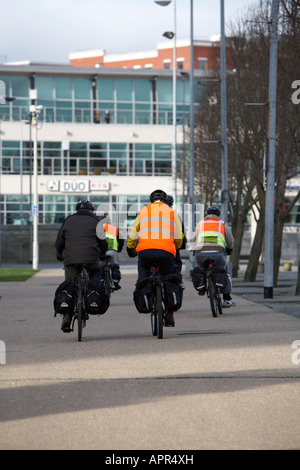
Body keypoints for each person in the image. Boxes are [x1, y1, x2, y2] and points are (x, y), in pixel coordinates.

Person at [127, 189, 183, 326]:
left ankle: (144, 290)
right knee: (170, 277)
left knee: (143, 271)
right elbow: (178, 234)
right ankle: (169, 315)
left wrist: (130, 247)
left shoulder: (143, 211)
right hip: (166, 252)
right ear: (165, 201)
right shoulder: (171, 212)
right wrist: (176, 246)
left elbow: (134, 232)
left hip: (145, 252)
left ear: (151, 201)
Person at [55, 199, 108, 332]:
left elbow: (60, 240)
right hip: (91, 257)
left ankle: (67, 314)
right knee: (95, 272)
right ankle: (93, 294)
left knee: (69, 283)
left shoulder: (68, 220)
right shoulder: (96, 221)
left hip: (70, 258)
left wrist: (59, 254)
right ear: (91, 210)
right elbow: (103, 242)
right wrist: (102, 254)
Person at [191, 205, 236, 308]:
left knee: (201, 269)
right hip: (218, 253)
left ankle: (202, 287)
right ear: (218, 214)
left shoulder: (200, 224)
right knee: (225, 272)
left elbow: (194, 239)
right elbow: (230, 239)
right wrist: (229, 249)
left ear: (207, 214)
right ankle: (227, 299)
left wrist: (194, 250)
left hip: (201, 253)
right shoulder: (222, 224)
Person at [101, 213, 124, 290]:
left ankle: (100, 280)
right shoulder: (114, 228)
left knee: (99, 267)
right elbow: (121, 240)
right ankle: (115, 280)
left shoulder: (97, 229)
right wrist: (119, 249)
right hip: (112, 251)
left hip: (102, 251)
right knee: (115, 265)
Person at [166, 194, 186, 273]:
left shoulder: (153, 214)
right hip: (171, 246)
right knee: (177, 263)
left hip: (152, 246)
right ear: (171, 204)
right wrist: (179, 246)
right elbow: (180, 232)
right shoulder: (175, 215)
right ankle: (178, 281)